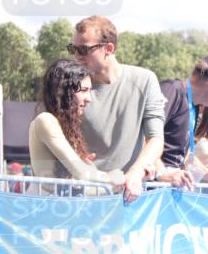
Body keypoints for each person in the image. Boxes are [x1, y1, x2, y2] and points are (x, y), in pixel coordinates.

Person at [70, 16, 165, 202]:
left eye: (83, 49)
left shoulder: (145, 80)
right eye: (73, 49)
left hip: (128, 196)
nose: (76, 56)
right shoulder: (71, 86)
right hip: (84, 196)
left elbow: (156, 139)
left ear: (109, 48)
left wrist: (136, 173)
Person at [28, 59, 125, 187]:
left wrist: (87, 166)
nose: (89, 99)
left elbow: (79, 176)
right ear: (63, 91)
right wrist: (114, 177)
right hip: (47, 204)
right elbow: (82, 174)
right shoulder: (45, 120)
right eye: (84, 90)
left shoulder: (60, 125)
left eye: (89, 91)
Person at [160, 55, 208, 168]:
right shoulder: (172, 90)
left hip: (171, 180)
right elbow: (144, 137)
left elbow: (185, 157)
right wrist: (162, 173)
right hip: (151, 181)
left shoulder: (194, 107)